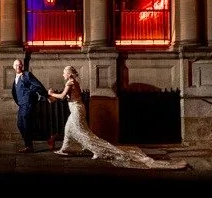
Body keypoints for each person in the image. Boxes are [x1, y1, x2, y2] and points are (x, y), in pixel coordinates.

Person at [47, 65, 188, 170]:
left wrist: (51, 93)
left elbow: (62, 96)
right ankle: (65, 149)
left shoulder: (70, 82)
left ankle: (97, 150)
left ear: (69, 74)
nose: (63, 74)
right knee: (69, 128)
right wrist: (52, 96)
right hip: (77, 109)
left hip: (76, 110)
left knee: (83, 133)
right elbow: (67, 97)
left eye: (64, 72)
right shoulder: (73, 82)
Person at [11, 57, 50, 153]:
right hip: (21, 105)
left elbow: (38, 85)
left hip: (28, 104)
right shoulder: (16, 78)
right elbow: (15, 92)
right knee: (20, 124)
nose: (18, 66)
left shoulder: (27, 75)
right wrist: (19, 102)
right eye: (16, 65)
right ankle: (29, 144)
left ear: (22, 65)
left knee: (26, 124)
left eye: (20, 64)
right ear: (13, 67)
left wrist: (45, 95)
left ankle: (29, 146)